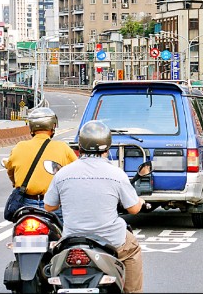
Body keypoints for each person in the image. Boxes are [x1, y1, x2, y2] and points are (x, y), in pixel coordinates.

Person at [44, 120, 146, 293]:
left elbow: (49, 207)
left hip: (72, 241)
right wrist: (141, 202)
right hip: (112, 241)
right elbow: (134, 209)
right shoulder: (116, 174)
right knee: (132, 248)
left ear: (80, 147)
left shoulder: (63, 174)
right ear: (108, 147)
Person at [4, 107, 77, 221]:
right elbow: (76, 171)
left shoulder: (19, 147)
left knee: (20, 234)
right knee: (65, 234)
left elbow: (10, 170)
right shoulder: (62, 147)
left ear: (32, 127)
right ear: (52, 126)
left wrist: (16, 183)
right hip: (53, 205)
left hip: (26, 205)